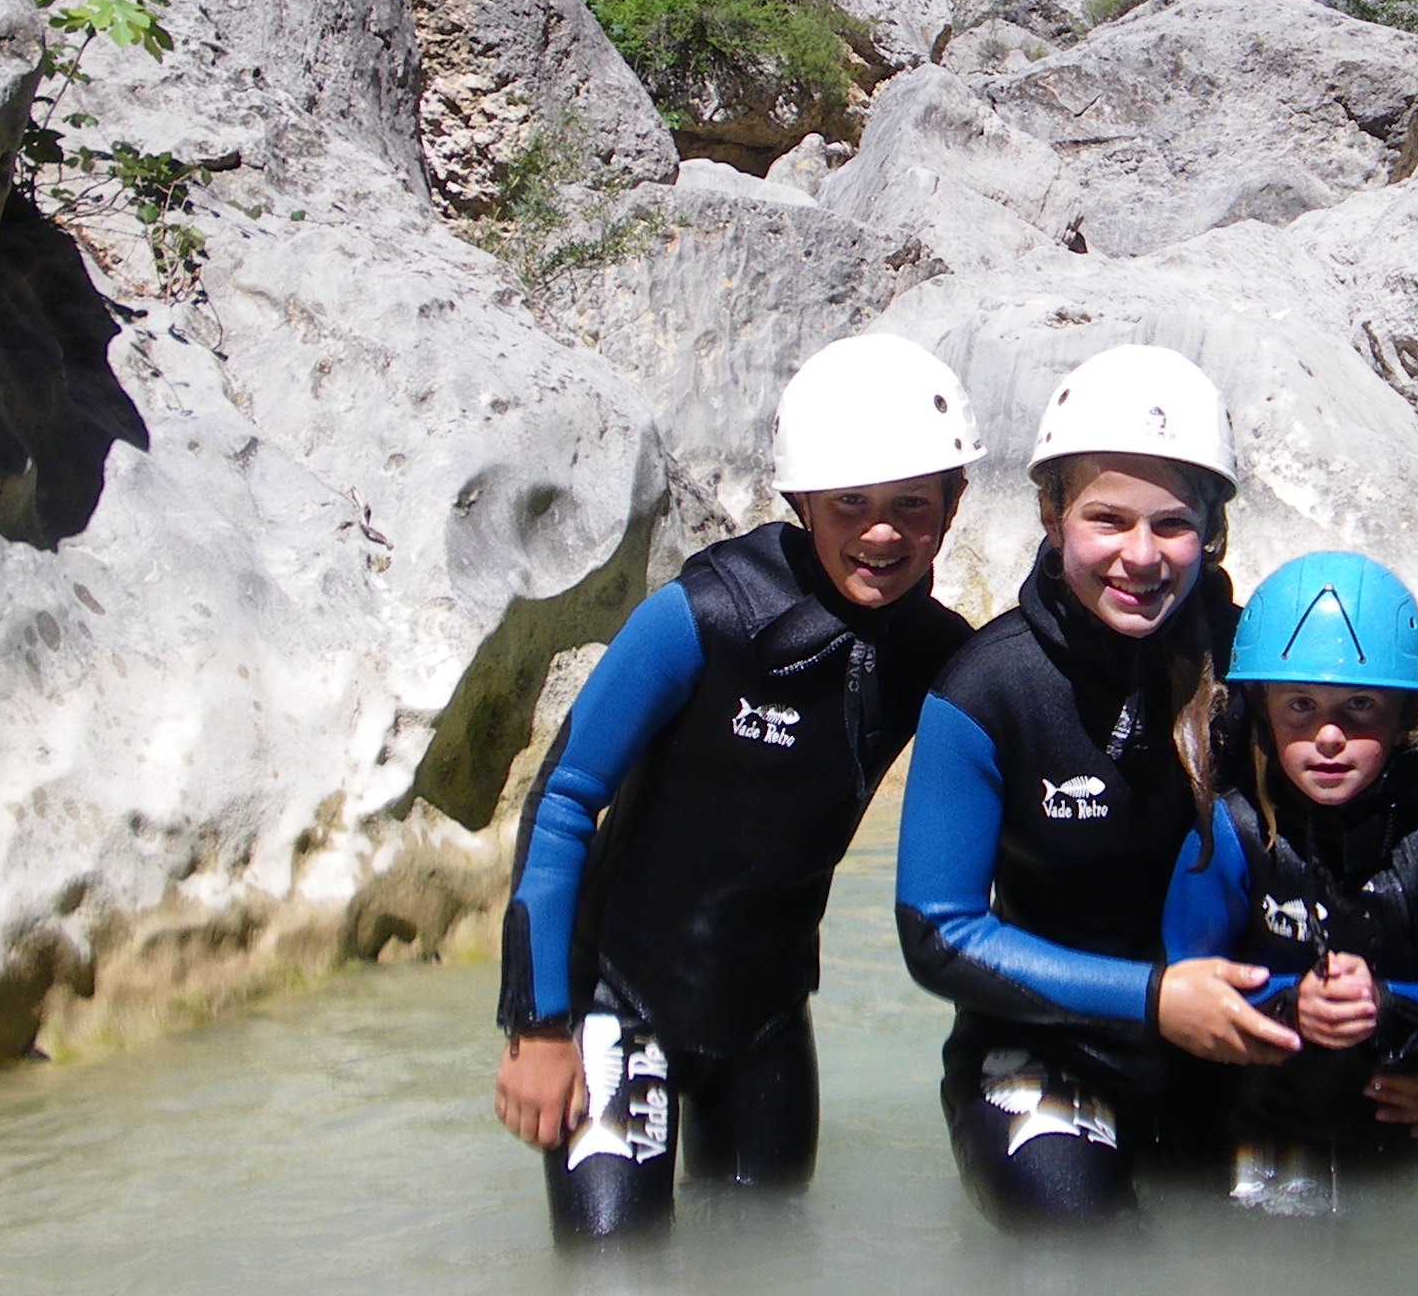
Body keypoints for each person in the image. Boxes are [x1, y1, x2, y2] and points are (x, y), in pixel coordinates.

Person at [492, 333, 983, 1240]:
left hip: (764, 1022)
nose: (882, 533)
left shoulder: (940, 656)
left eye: (913, 504)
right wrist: (536, 1024)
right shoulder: (703, 616)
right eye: (849, 504)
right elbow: (562, 800)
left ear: (954, 506)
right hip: (616, 1005)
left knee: (767, 1279)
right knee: (614, 1290)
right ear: (801, 500)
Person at [892, 343, 1292, 1226]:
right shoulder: (989, 687)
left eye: (1173, 523)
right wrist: (1151, 999)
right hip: (1046, 1054)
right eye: (1108, 519)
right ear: (1050, 512)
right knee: (1086, 1268)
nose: (1141, 556)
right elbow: (937, 933)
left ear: (1213, 529)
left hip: (1223, 1046)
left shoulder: (1261, 665)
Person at [1162, 552, 1418, 1210]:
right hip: (1245, 1151)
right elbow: (1183, 981)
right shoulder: (1229, 831)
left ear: (1408, 716)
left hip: (1387, 1148)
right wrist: (1295, 1000)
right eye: (1299, 705)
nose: (1328, 734)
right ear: (1260, 712)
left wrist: (1386, 1004)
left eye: (1359, 706)